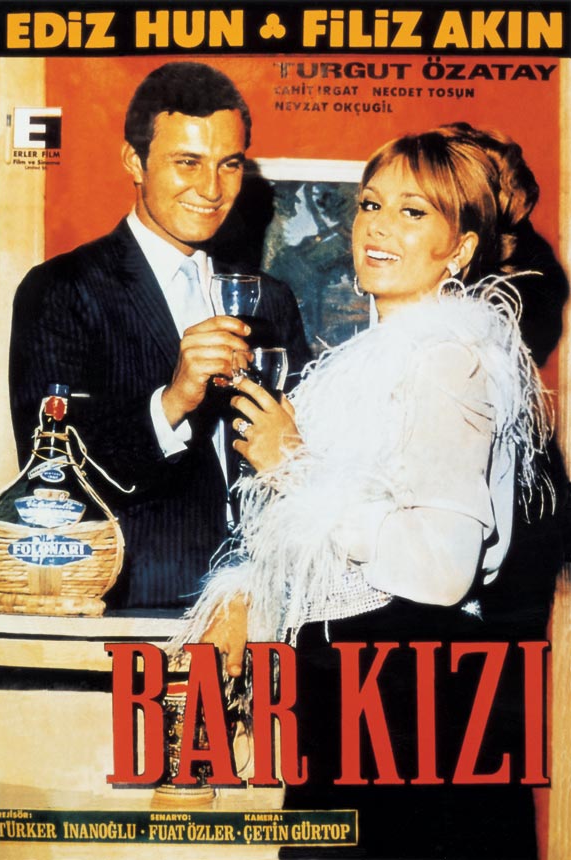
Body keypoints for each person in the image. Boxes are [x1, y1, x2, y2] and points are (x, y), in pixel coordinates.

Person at [176, 125, 566, 858]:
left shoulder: (449, 359)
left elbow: (440, 569)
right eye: (369, 205)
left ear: (461, 249)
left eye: (413, 212)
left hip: (410, 707)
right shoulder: (371, 360)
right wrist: (245, 590)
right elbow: (319, 542)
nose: (378, 227)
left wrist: (292, 463)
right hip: (352, 694)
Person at [8, 61, 310, 612]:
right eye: (187, 162)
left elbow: (306, 458)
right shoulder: (61, 288)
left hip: (273, 603)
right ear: (134, 161)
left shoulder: (271, 300)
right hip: (137, 608)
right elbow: (49, 479)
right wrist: (172, 403)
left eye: (229, 164)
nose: (211, 189)